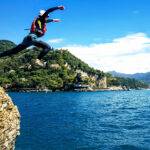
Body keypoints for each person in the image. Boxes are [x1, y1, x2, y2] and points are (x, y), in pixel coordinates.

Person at [0, 6, 65, 66]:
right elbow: (48, 11)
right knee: (47, 47)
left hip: (27, 39)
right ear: (43, 15)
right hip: (32, 38)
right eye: (47, 16)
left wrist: (53, 20)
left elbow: (47, 21)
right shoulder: (42, 18)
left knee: (13, 51)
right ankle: (38, 60)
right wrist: (58, 7)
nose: (47, 17)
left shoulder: (40, 20)